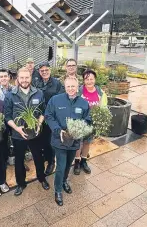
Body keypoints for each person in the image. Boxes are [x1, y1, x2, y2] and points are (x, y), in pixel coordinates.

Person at [45, 77, 91, 206]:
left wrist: (79, 128)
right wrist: (57, 130)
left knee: (68, 164)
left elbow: (87, 119)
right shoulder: (55, 100)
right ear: (65, 87)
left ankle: (64, 181)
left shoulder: (83, 103)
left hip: (74, 141)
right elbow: (48, 115)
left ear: (77, 87)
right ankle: (58, 190)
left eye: (73, 86)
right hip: (59, 139)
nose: (71, 89)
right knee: (60, 165)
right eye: (68, 86)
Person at [4, 67, 49, 196]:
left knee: (38, 157)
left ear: (31, 78)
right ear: (17, 79)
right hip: (18, 134)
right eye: (22, 77)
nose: (24, 80)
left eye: (27, 77)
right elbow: (7, 116)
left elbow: (43, 111)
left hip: (35, 133)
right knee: (19, 160)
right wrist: (16, 128)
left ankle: (42, 178)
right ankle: (21, 183)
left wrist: (39, 124)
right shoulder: (10, 95)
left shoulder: (39, 93)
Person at [33, 62, 64, 175]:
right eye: (42, 71)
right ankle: (46, 158)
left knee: (50, 141)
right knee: (41, 139)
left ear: (50, 70)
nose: (44, 72)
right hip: (39, 117)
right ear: (39, 72)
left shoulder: (57, 83)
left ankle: (51, 162)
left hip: (51, 117)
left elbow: (60, 100)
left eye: (46, 70)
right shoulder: (37, 82)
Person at [74, 69, 107, 175]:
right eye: (87, 79)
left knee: (87, 142)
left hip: (92, 122)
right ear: (83, 80)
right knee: (78, 142)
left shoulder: (99, 92)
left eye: (91, 79)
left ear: (95, 79)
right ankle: (77, 162)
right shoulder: (79, 91)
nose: (89, 81)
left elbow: (103, 106)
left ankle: (84, 161)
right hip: (80, 121)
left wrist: (100, 118)